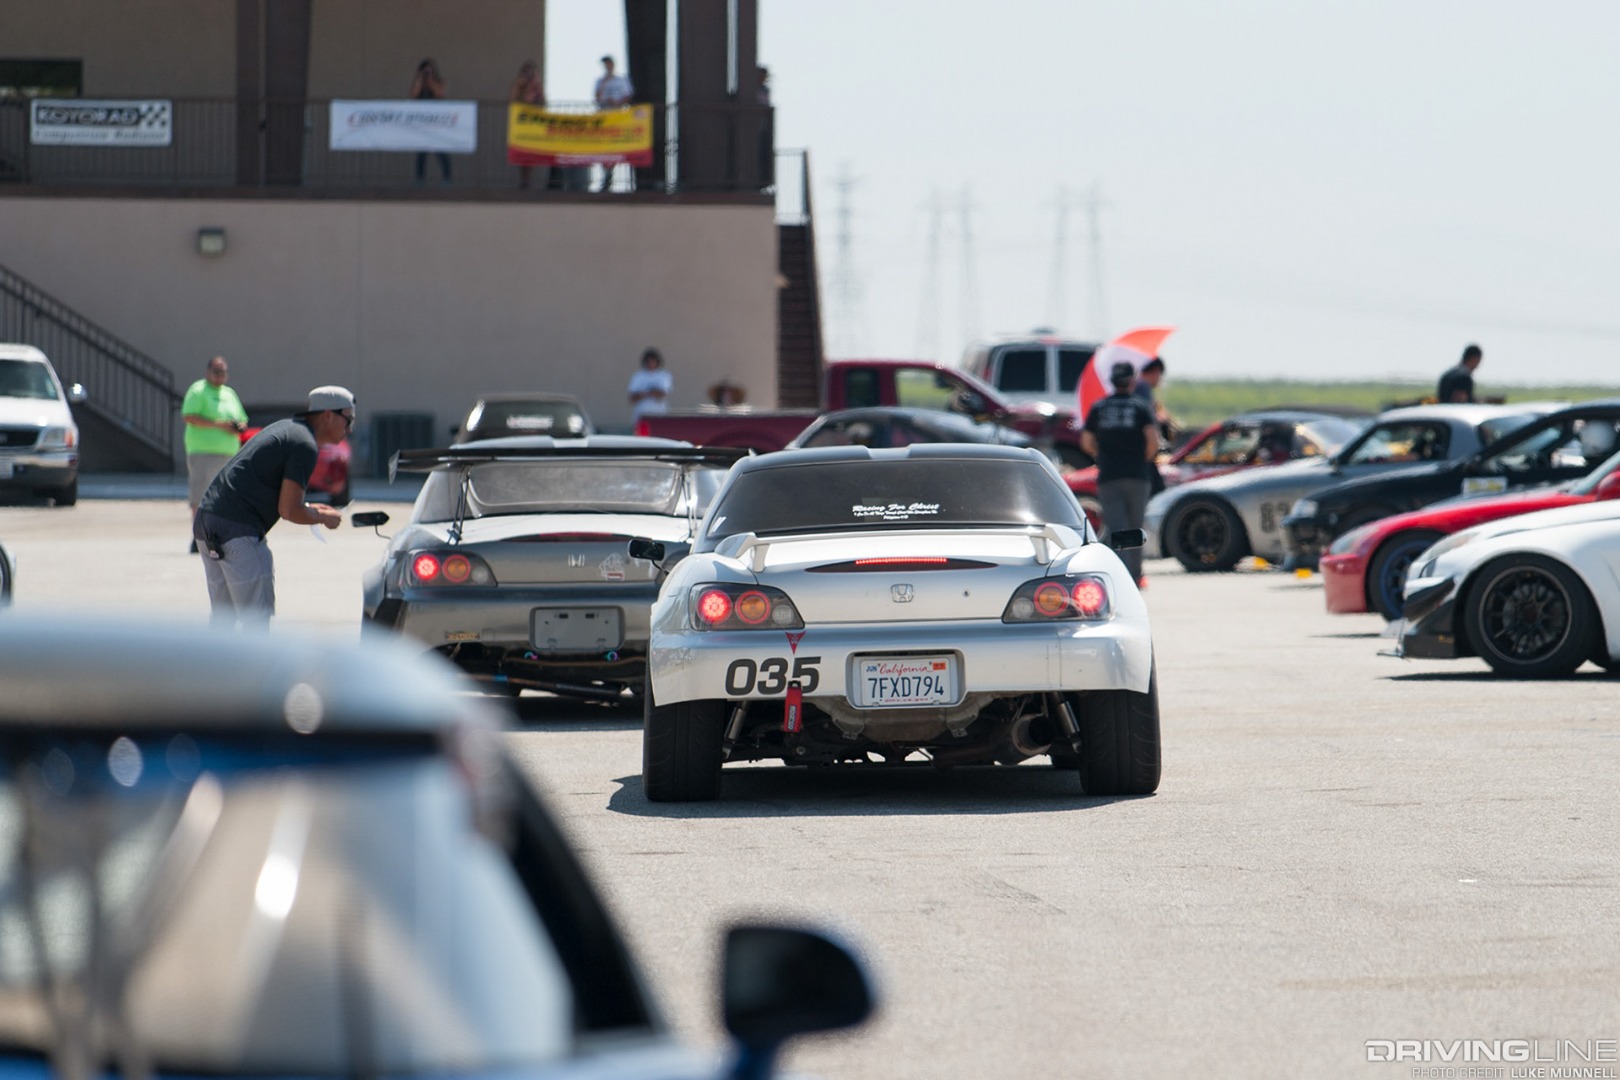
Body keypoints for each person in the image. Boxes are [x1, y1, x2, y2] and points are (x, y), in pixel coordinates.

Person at [192, 386, 353, 630]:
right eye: (348, 419)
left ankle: (214, 669)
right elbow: (289, 510)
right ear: (328, 415)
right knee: (256, 624)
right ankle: (254, 670)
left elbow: (286, 499)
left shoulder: (287, 428)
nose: (349, 428)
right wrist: (322, 517)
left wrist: (309, 507)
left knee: (222, 625)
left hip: (207, 522)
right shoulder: (304, 444)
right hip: (238, 531)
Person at [1081, 361, 1160, 585]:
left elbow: (1086, 442)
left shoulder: (1099, 407)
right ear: (1132, 381)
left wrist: (1103, 456)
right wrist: (1142, 459)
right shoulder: (1141, 406)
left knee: (1116, 526)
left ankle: (1117, 576)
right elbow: (1152, 441)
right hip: (1137, 475)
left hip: (1109, 475)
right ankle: (1136, 575)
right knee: (1135, 526)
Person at [181, 355, 248, 553]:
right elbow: (189, 416)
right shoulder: (198, 390)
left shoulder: (229, 394)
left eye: (223, 372)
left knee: (224, 497)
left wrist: (238, 427)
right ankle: (199, 536)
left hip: (228, 453)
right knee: (201, 496)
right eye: (216, 372)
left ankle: (220, 534)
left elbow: (243, 419)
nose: (220, 376)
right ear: (208, 372)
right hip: (203, 452)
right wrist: (221, 425)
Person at [1131, 356, 1175, 495]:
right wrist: (1161, 418)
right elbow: (1148, 421)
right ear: (1155, 371)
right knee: (1158, 492)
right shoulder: (1142, 387)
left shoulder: (1135, 386)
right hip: (1144, 452)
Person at [593, 56, 634, 193]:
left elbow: (628, 96)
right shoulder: (600, 81)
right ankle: (606, 176)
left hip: (617, 118)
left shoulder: (621, 80)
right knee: (603, 147)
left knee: (615, 146)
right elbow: (597, 97)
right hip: (604, 117)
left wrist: (617, 102)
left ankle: (611, 176)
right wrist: (605, 82)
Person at [410, 58, 451, 184]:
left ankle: (447, 178)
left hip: (437, 123)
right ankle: (420, 178)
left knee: (441, 151)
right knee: (422, 152)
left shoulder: (438, 82)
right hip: (422, 123)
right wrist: (420, 79)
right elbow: (413, 95)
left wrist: (430, 79)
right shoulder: (419, 83)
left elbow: (440, 94)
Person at [510, 59, 544, 190]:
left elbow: (543, 101)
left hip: (533, 124)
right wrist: (520, 85)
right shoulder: (519, 84)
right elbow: (512, 100)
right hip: (521, 123)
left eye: (531, 71)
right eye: (526, 71)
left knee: (531, 153)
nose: (529, 74)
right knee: (521, 152)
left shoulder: (537, 85)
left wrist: (537, 85)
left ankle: (527, 180)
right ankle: (523, 180)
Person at [627, 348, 672, 424]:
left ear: (657, 361)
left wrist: (644, 394)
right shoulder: (638, 376)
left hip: (659, 415)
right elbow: (632, 398)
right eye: (648, 361)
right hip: (642, 415)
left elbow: (661, 394)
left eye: (653, 361)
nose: (650, 363)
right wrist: (650, 393)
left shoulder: (664, 376)